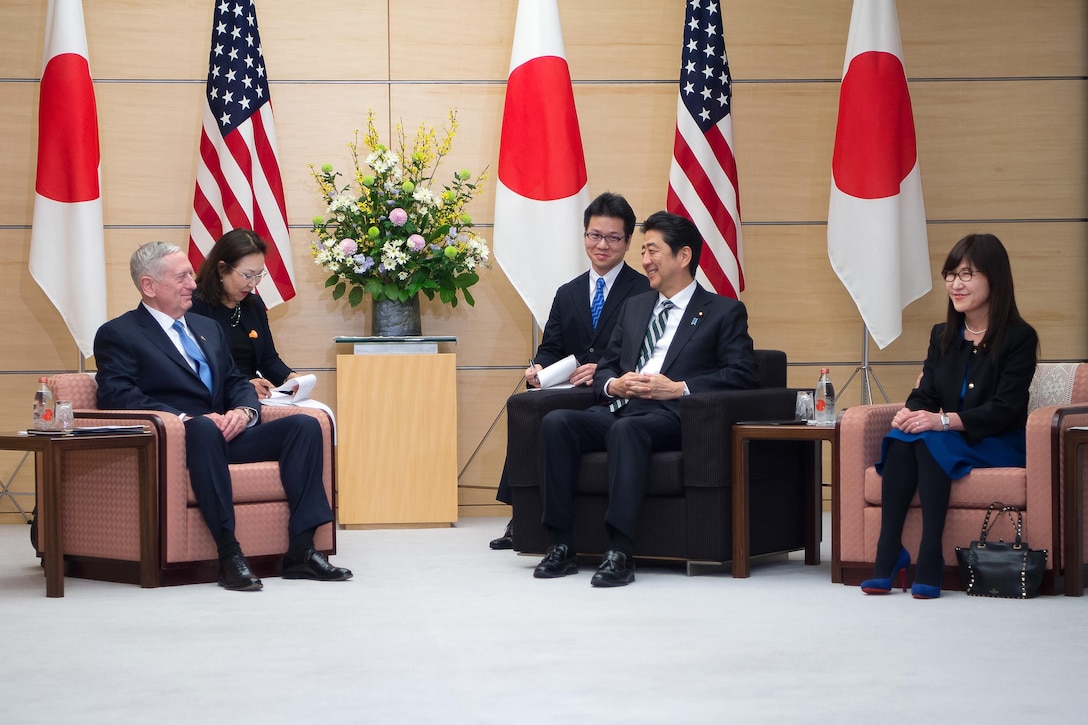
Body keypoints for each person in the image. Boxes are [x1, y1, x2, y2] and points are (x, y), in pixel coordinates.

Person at [94, 241, 352, 591]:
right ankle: (229, 555)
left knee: (304, 427)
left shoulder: (206, 327)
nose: (193, 284)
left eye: (190, 274)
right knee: (202, 428)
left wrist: (244, 412)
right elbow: (117, 395)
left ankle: (302, 551)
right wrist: (184, 418)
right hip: (181, 439)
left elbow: (234, 380)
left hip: (227, 433)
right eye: (182, 276)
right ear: (149, 286)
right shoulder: (119, 334)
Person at [532, 211, 759, 587]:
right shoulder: (636, 306)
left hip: (675, 414)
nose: (645, 261)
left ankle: (620, 550)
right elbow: (605, 366)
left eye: (652, 251)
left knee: (628, 431)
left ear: (683, 257)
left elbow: (743, 375)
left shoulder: (723, 312)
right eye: (643, 251)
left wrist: (679, 387)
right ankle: (561, 544)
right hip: (624, 407)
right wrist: (613, 385)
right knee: (557, 422)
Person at [861, 233, 1037, 599]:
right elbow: (925, 394)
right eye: (950, 274)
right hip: (948, 439)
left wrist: (941, 421)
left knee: (928, 438)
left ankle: (926, 557)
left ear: (995, 278)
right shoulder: (943, 334)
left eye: (967, 274)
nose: (955, 284)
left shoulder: (1019, 338)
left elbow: (1004, 409)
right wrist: (908, 414)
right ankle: (890, 552)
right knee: (903, 437)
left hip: (997, 441)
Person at [489, 192, 651, 549]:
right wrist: (539, 368)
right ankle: (522, 516)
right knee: (527, 404)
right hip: (568, 388)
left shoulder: (644, 291)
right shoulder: (568, 292)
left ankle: (529, 520)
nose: (602, 245)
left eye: (612, 237)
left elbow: (646, 352)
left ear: (627, 243)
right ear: (584, 237)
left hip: (608, 392)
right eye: (595, 235)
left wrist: (604, 368)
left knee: (549, 416)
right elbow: (552, 347)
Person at [190, 228, 297, 399]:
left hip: (252, 395)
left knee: (312, 417)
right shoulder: (193, 306)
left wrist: (290, 378)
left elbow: (268, 360)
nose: (253, 283)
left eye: (259, 275)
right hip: (216, 399)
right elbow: (199, 366)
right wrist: (244, 384)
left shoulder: (254, 305)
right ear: (222, 269)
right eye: (247, 275)